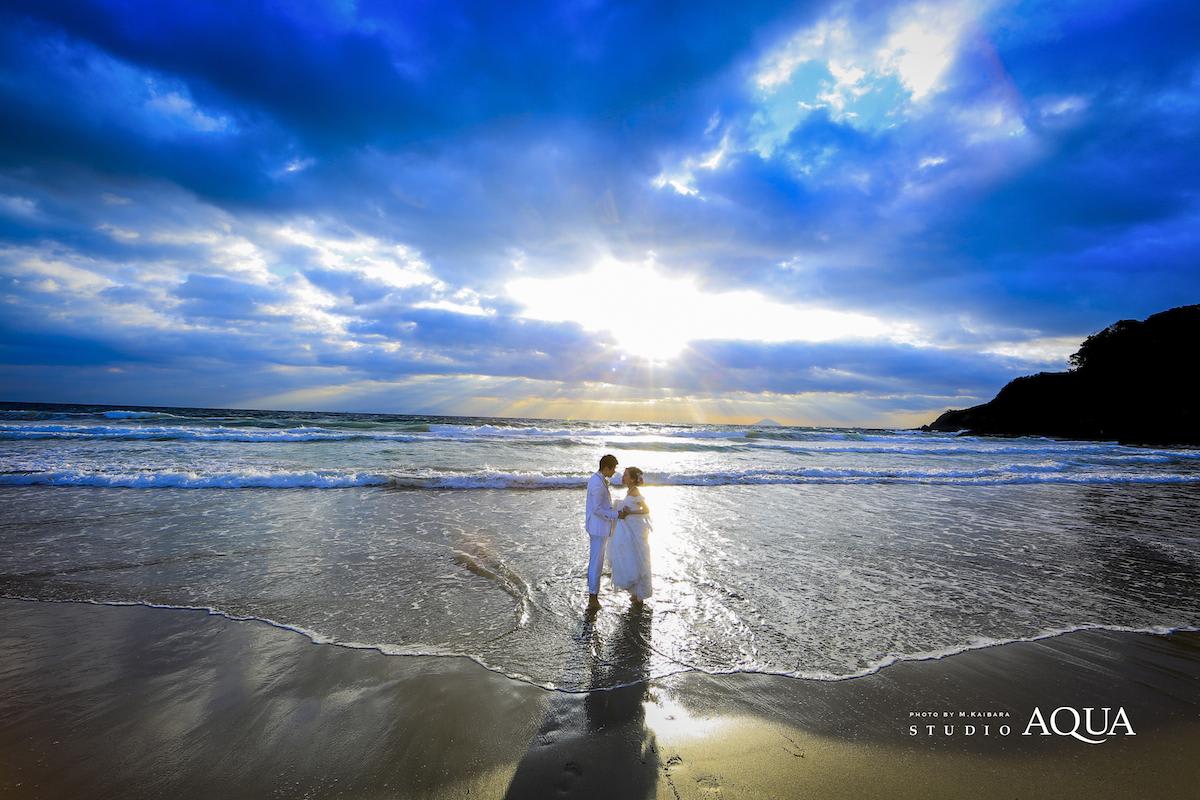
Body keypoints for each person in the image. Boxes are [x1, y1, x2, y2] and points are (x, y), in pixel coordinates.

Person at [585, 454, 631, 612]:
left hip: (598, 527)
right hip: (598, 528)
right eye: (613, 469)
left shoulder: (598, 479)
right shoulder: (597, 484)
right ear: (606, 467)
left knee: (595, 561)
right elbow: (597, 509)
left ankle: (593, 593)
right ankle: (593, 597)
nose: (614, 472)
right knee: (596, 562)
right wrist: (616, 514)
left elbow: (602, 506)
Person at [607, 466, 653, 606]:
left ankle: (640, 594)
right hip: (628, 528)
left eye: (626, 475)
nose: (623, 477)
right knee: (630, 557)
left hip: (634, 529)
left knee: (637, 557)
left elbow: (646, 510)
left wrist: (630, 513)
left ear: (632, 479)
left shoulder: (635, 492)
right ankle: (635, 592)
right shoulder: (629, 491)